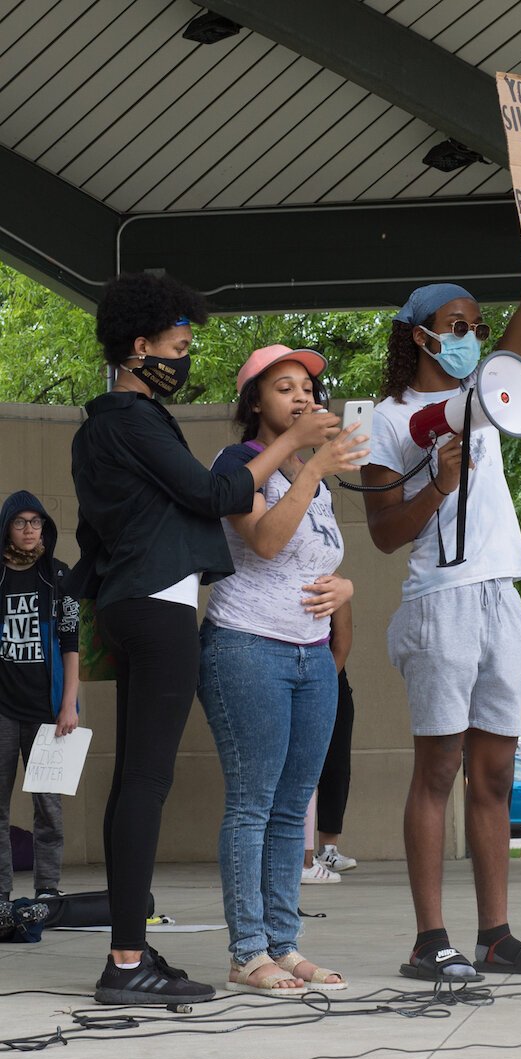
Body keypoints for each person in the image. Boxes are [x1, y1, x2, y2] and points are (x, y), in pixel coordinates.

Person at [70, 278, 342, 1006]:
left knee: (134, 779)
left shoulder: (103, 426)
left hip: (130, 604)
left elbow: (92, 533)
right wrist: (293, 444)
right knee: (147, 782)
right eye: (180, 346)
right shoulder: (133, 418)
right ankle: (127, 960)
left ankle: (129, 942)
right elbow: (212, 494)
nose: (185, 359)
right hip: (158, 609)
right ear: (141, 346)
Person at [362, 148, 521, 981]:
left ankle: (495, 934)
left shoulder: (486, 392)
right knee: (440, 768)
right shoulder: (386, 418)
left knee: (495, 770)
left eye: (476, 327)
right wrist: (436, 483)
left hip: (499, 594)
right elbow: (385, 532)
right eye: (456, 326)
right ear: (418, 335)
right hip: (439, 600)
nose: (471, 336)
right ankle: (431, 941)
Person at [197, 344, 367, 996]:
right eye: (284, 387)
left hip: (311, 655)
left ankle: (283, 942)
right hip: (247, 646)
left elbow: (312, 562)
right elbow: (265, 541)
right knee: (252, 804)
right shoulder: (239, 462)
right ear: (254, 401)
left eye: (307, 388)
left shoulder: (312, 474)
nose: (301, 397)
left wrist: (345, 588)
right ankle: (247, 950)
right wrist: (312, 459)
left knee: (293, 807)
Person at [0, 491, 79, 904]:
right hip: (3, 710)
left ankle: (47, 889)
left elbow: (71, 645)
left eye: (36, 522)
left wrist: (69, 704)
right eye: (20, 522)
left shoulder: (60, 577)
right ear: (7, 528)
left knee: (49, 806)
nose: (29, 529)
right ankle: (1, 894)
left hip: (48, 711)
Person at [302, 598, 358, 881]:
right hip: (291, 677)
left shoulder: (333, 583)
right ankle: (298, 855)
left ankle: (328, 849)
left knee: (335, 767)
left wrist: (319, 684)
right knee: (299, 769)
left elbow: (342, 643)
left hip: (328, 679)